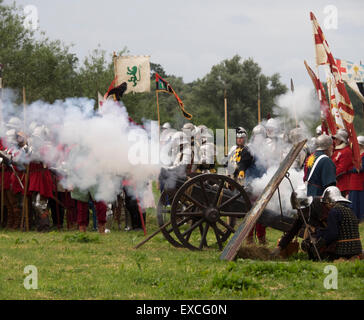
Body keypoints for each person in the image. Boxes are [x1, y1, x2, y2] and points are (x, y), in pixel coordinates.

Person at [313, 186, 362, 261]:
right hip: (357, 248)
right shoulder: (350, 210)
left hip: (344, 250)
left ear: (330, 202)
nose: (326, 206)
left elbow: (332, 234)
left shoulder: (334, 212)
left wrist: (320, 237)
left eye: (325, 204)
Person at [331, 129, 353, 196]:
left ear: (342, 140)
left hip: (343, 184)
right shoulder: (337, 150)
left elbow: (342, 168)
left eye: (337, 139)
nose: (335, 141)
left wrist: (330, 175)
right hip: (337, 183)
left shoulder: (346, 151)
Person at [348, 136, 364, 222]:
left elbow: (361, 168)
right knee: (353, 200)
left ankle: (360, 217)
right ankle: (354, 217)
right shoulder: (357, 155)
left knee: (359, 201)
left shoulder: (363, 155)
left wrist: (351, 169)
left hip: (360, 182)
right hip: (354, 182)